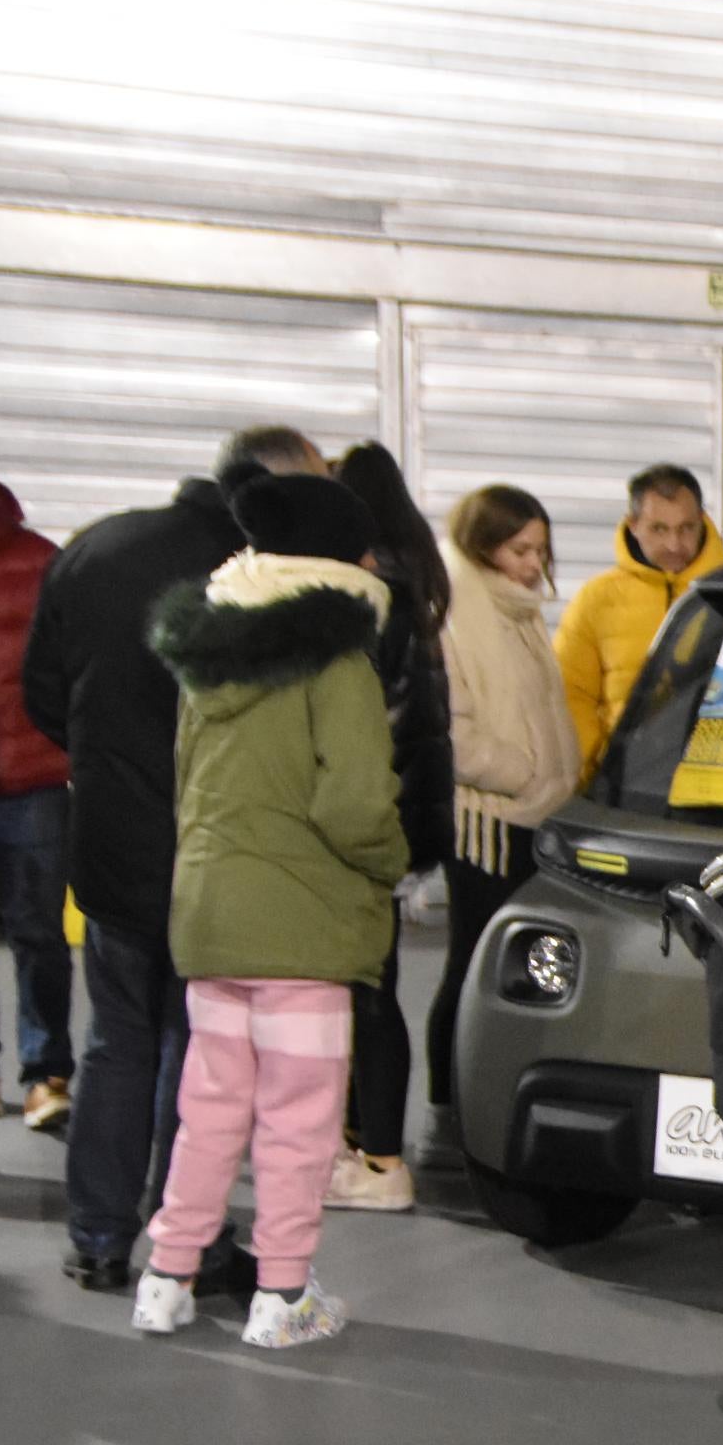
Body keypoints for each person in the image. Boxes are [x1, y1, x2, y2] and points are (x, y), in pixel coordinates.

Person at [25, 424, 326, 1293]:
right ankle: (180, 1240)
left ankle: (96, 1236)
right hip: (216, 849)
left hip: (111, 843)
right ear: (268, 492)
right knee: (197, 1050)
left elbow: (44, 692)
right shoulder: (260, 580)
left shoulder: (95, 549)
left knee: (116, 1039)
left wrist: (107, 763)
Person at [131, 472, 408, 1344]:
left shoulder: (205, 660)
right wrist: (392, 863)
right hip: (303, 931)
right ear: (337, 559)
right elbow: (355, 803)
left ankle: (168, 1278)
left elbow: (185, 787)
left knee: (208, 1109)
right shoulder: (338, 659)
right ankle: (283, 1297)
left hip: (210, 914)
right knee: (299, 1120)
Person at [424, 486, 579, 1149]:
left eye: (540, 549)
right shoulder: (457, 609)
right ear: (483, 546)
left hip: (535, 816)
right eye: (520, 549)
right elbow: (451, 732)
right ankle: (447, 1109)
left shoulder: (517, 609)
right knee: (471, 964)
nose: (532, 563)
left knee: (512, 970)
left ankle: (489, 1100)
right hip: (486, 822)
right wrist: (524, 773)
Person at [324, 442, 455, 1211]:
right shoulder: (414, 584)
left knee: (365, 997)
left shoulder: (371, 601)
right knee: (372, 990)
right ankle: (369, 1150)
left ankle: (376, 1157)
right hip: (399, 818)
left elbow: (376, 731)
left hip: (369, 822)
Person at [0, 425, 72, 1132]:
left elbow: (72, 668)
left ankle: (46, 1072)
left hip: (36, 777)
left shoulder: (43, 561)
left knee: (40, 933)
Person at [554, 463, 723, 782]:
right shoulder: (596, 599)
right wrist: (601, 764)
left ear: (703, 521)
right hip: (624, 787)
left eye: (687, 528)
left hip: (719, 788)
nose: (675, 544)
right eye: (659, 529)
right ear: (633, 525)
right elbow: (569, 692)